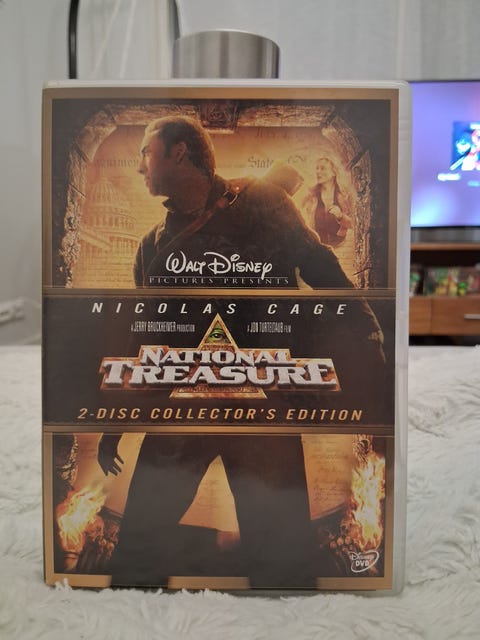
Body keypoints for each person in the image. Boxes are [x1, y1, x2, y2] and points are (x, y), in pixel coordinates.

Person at [97, 116, 387, 588]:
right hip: (182, 415)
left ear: (179, 153)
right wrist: (115, 423)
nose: (139, 166)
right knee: (136, 561)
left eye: (146, 153)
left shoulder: (263, 202)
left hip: (263, 411)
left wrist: (368, 332)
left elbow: (322, 269)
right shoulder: (151, 247)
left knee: (283, 569)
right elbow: (144, 339)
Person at [303, 156, 353, 247]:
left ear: (333, 172)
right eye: (317, 168)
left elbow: (353, 223)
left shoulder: (343, 194)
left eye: (322, 168)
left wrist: (340, 216)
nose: (318, 172)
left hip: (340, 246)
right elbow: (303, 218)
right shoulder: (311, 195)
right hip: (316, 245)